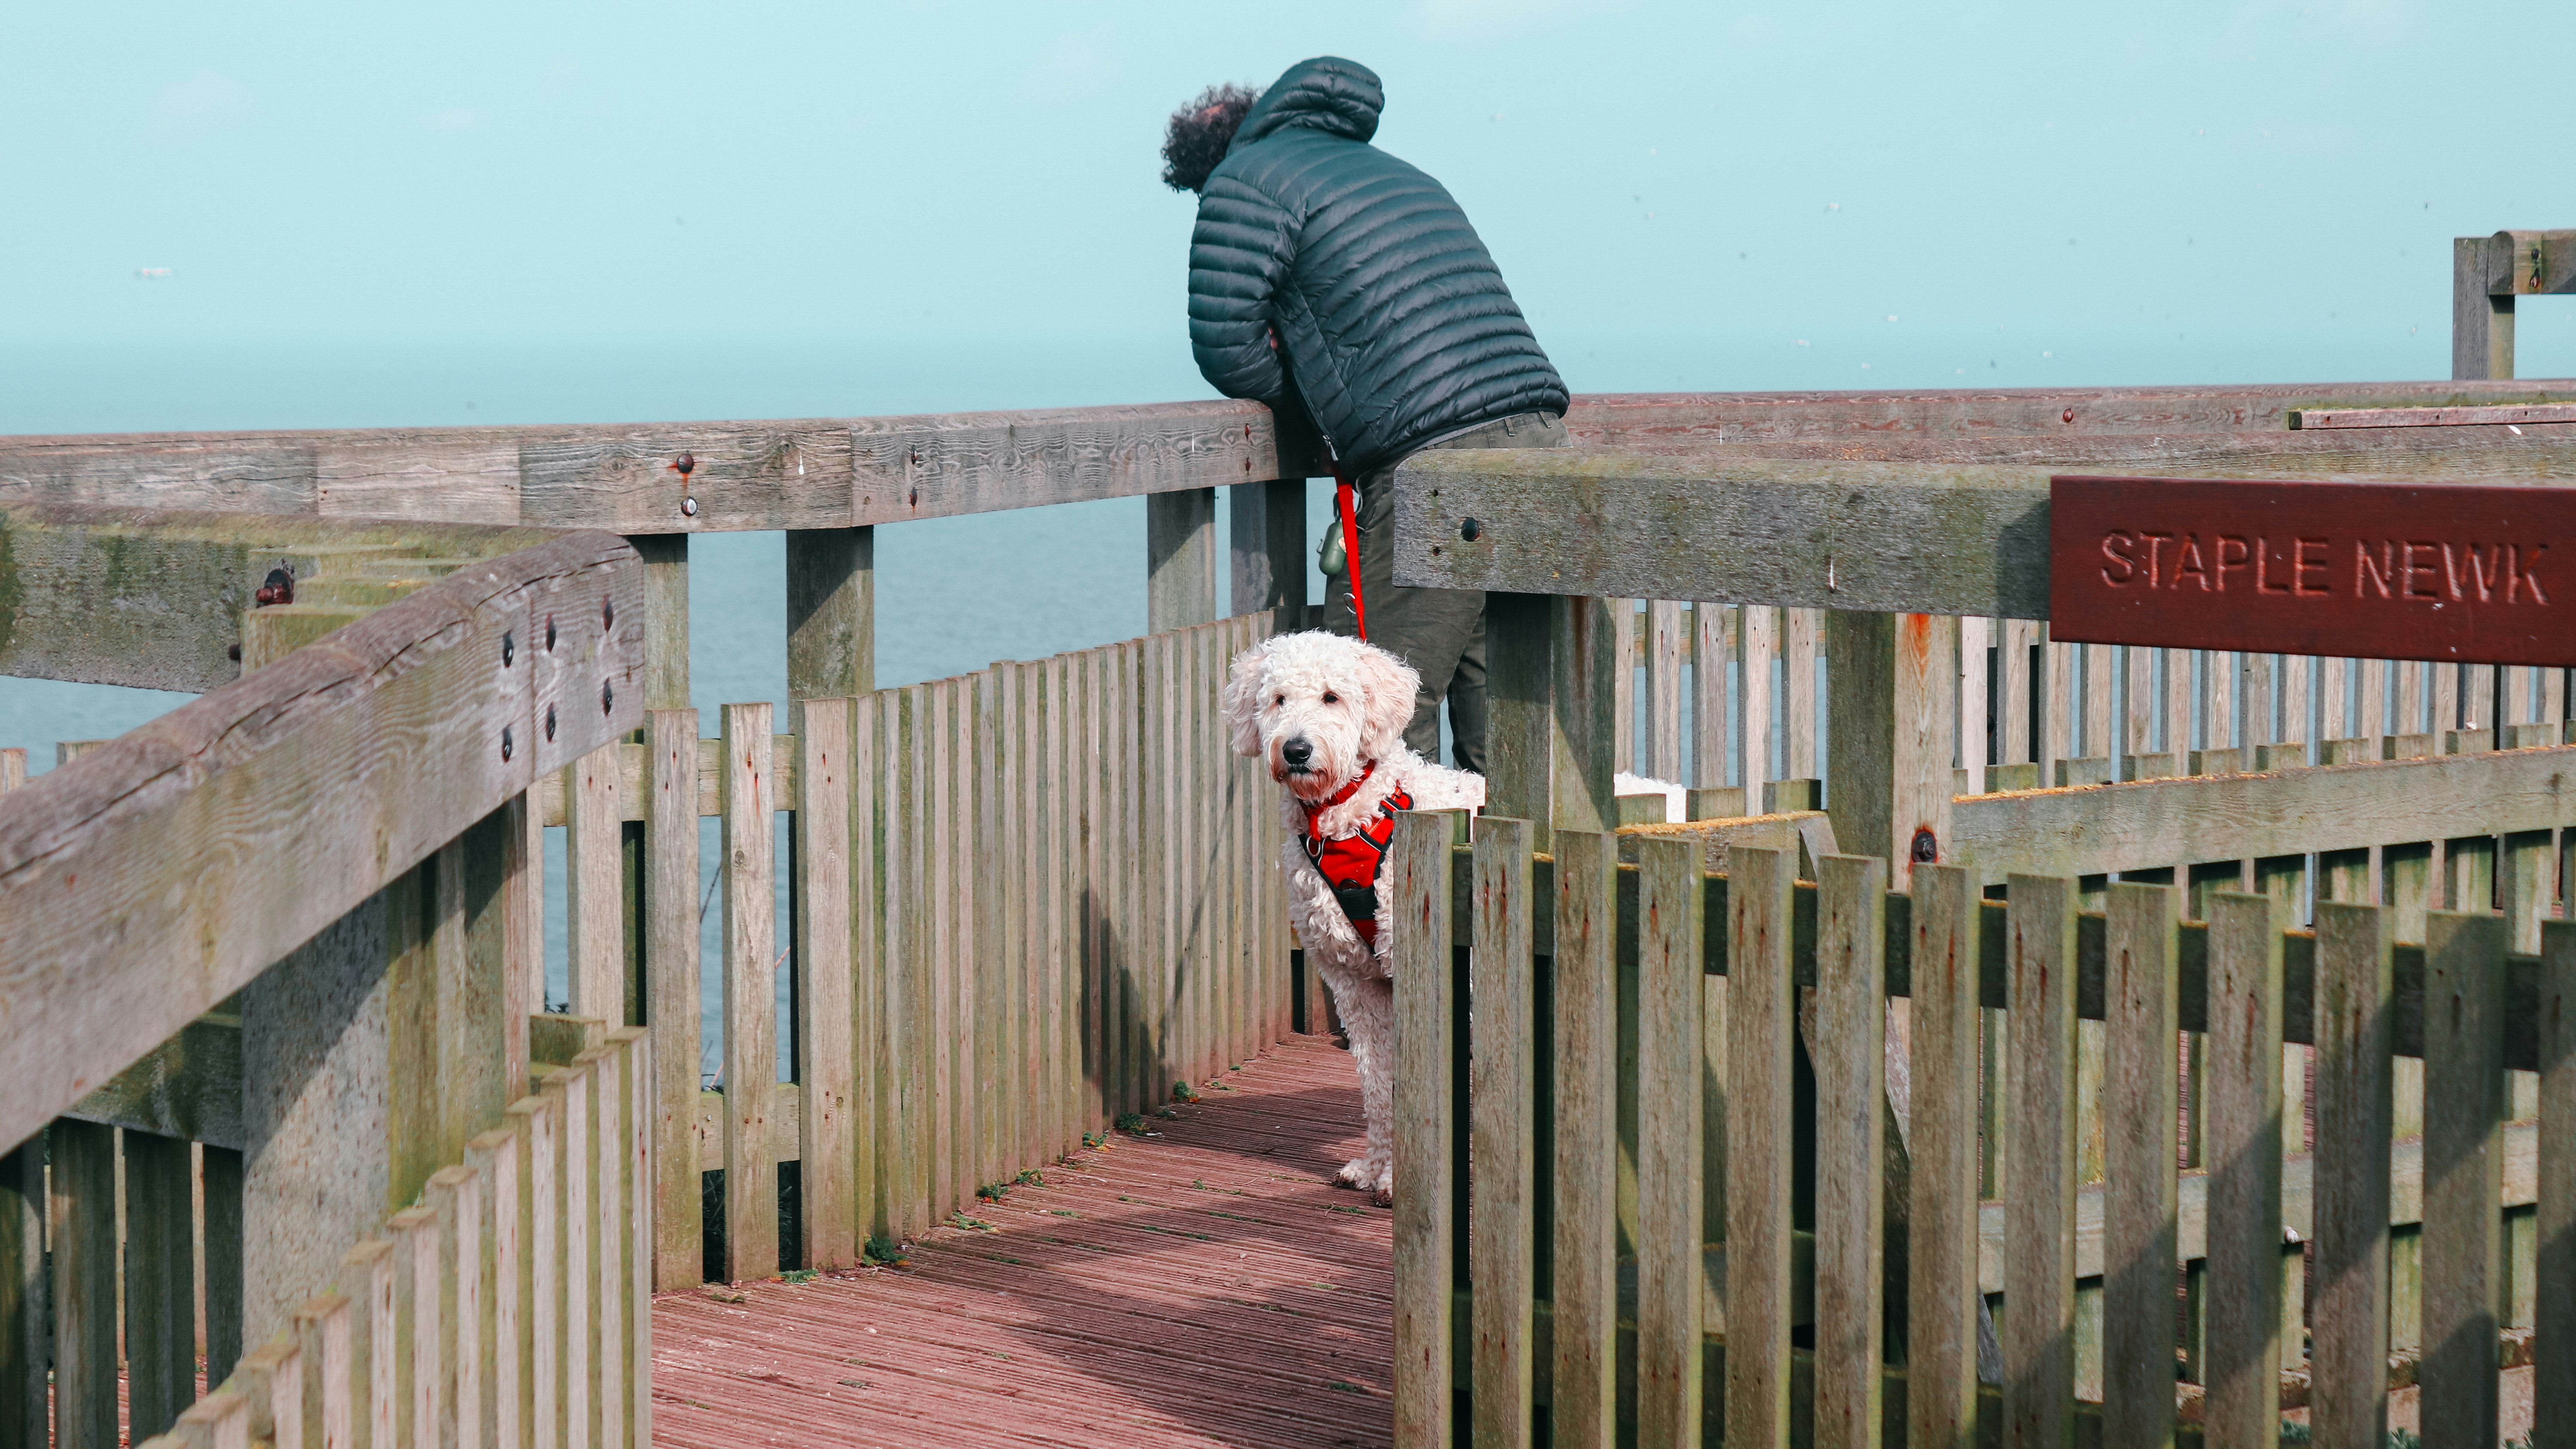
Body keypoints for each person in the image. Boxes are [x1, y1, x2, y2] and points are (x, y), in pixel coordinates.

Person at [1162, 56, 1567, 774]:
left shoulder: (1244, 182)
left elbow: (1226, 347)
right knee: (1510, 734)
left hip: (1435, 463)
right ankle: (1501, 884)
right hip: (1538, 437)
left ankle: (1394, 893)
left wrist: (1313, 405)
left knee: (1371, 729)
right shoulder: (1393, 170)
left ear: (1206, 168)